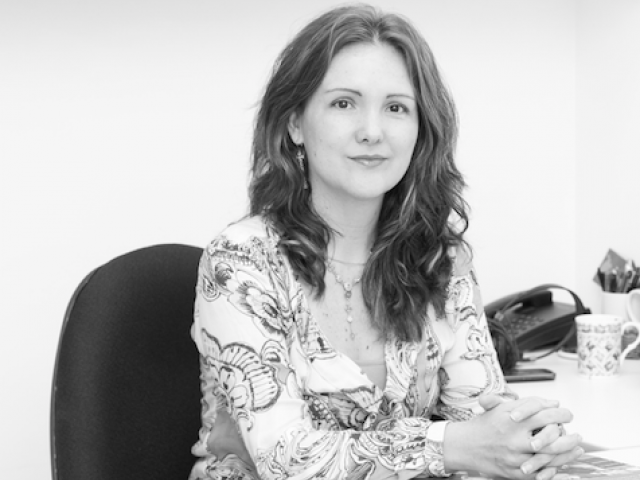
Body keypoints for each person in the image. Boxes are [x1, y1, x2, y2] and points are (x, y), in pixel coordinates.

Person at [189, 4, 583, 479]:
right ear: (294, 123)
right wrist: (449, 447)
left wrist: (528, 443)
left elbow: (479, 418)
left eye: (396, 107)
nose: (372, 132)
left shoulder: (440, 259)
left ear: (420, 130)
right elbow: (284, 459)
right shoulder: (241, 261)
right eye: (343, 103)